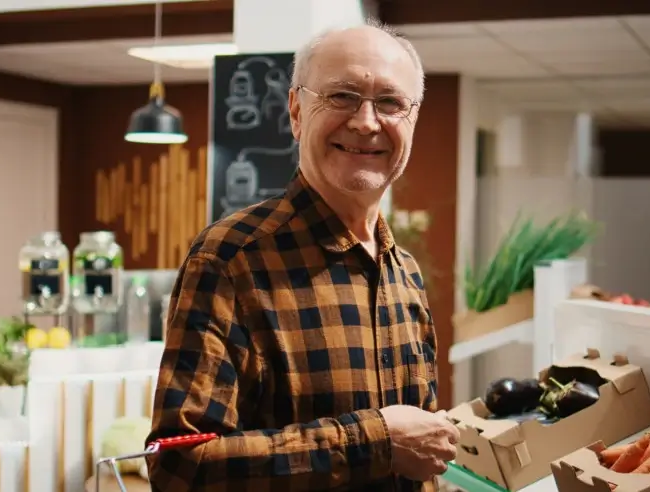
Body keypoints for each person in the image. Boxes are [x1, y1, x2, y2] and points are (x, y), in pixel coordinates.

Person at [147, 19, 460, 492]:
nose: (366, 121)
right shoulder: (231, 259)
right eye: (342, 96)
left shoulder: (404, 272)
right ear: (296, 111)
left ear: (412, 120)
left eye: (391, 102)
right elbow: (179, 467)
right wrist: (373, 442)